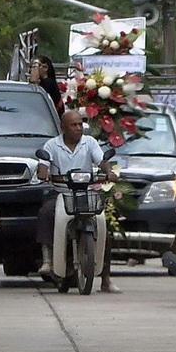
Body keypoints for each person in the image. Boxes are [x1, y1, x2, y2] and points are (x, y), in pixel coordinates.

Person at [36, 110, 120, 292]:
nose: (78, 128)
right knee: (46, 213)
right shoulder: (52, 145)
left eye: (80, 124)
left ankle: (105, 278)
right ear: (63, 127)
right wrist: (43, 171)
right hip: (61, 192)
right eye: (73, 125)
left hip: (86, 192)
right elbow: (44, 164)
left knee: (102, 224)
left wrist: (108, 172)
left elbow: (101, 161)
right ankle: (48, 260)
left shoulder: (90, 142)